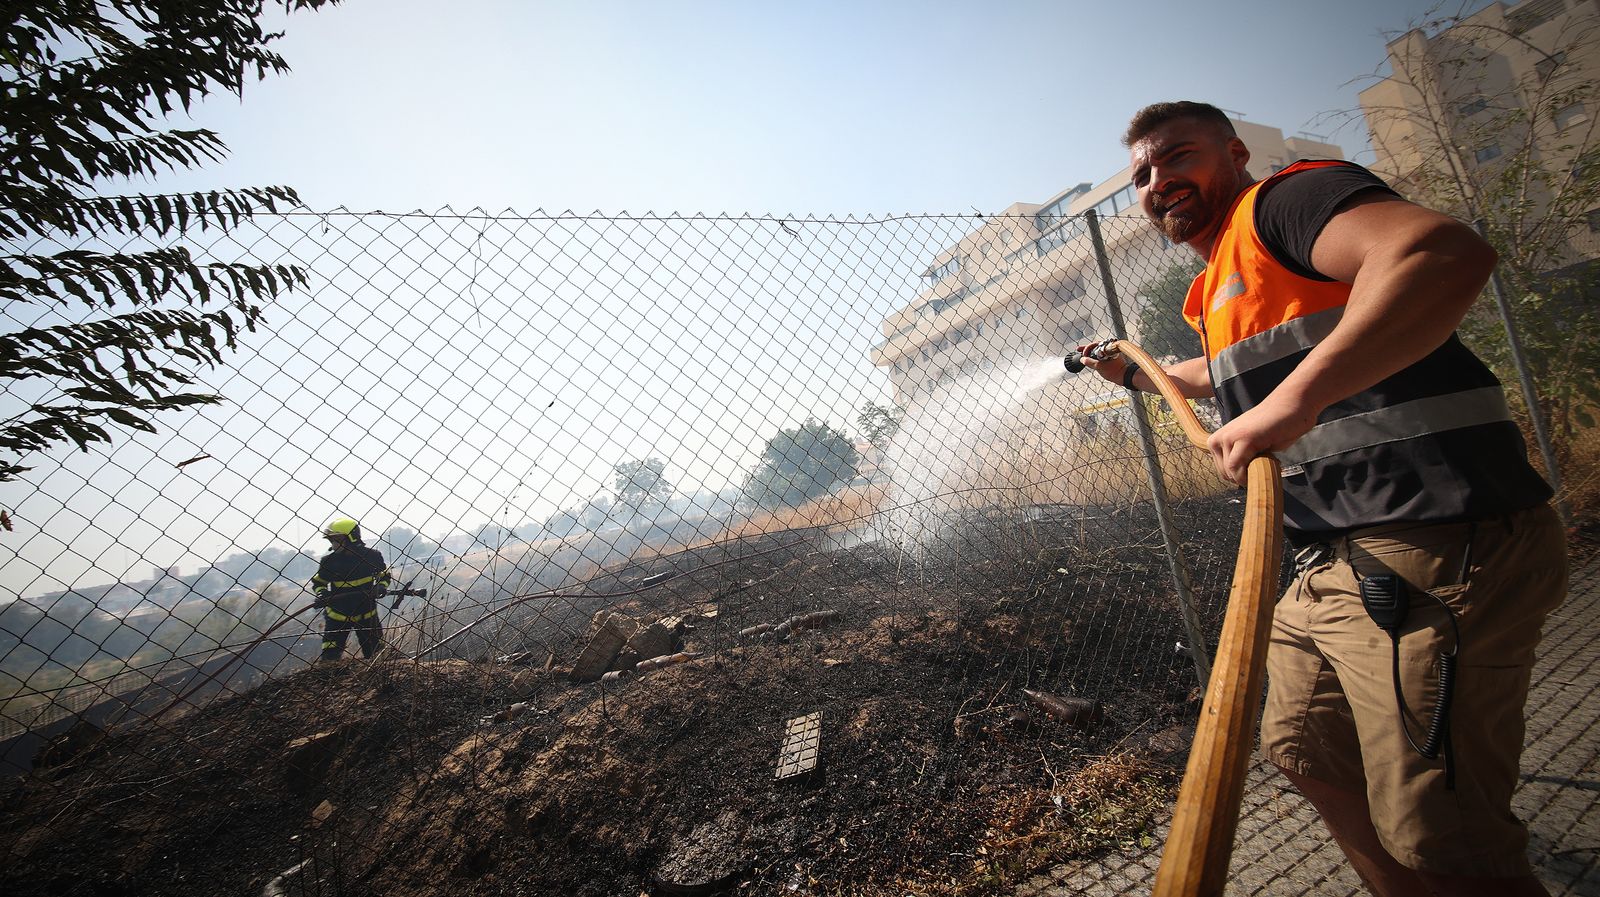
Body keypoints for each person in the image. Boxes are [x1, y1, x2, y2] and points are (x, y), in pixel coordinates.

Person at [1083, 101, 1567, 896]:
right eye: (1141, 174)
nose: (1158, 180)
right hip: (1330, 563)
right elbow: (1220, 373)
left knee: (1442, 832)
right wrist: (1135, 373)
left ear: (1235, 152)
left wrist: (1295, 401)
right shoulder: (1216, 291)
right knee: (1308, 753)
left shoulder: (1285, 205)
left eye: (1177, 156)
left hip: (1433, 542)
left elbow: (1440, 253)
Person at [312, 517, 392, 661]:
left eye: (337, 539)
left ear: (351, 537)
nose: (334, 544)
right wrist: (322, 594)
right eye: (332, 540)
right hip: (337, 615)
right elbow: (319, 583)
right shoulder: (329, 562)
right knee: (330, 657)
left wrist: (380, 586)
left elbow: (384, 576)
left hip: (366, 613)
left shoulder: (372, 556)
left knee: (376, 655)